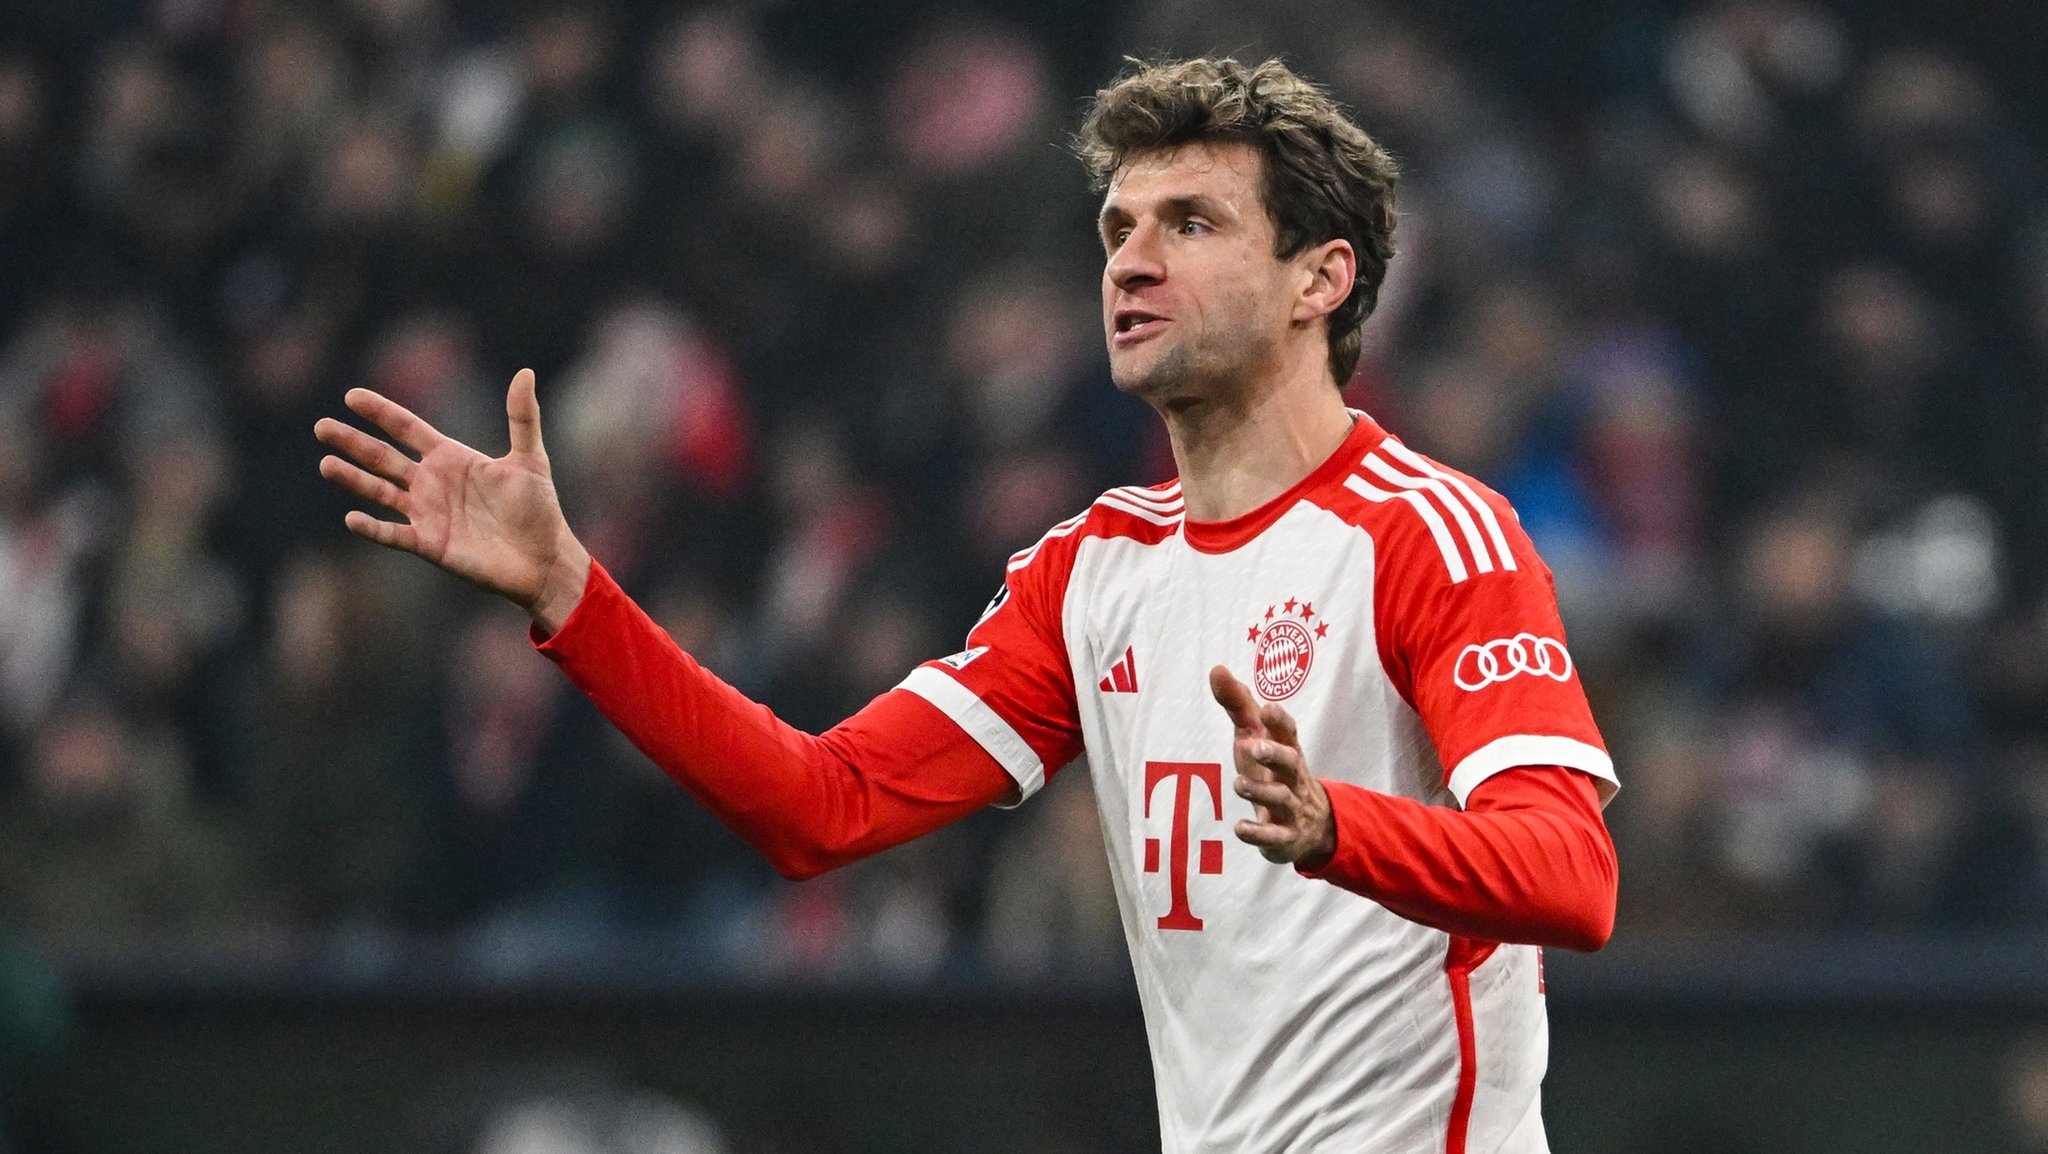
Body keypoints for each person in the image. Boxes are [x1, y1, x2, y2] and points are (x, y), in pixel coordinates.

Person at [317, 57, 1617, 1154]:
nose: (1132, 262)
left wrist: (1342, 826)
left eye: (1192, 224)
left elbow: (1573, 875)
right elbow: (816, 804)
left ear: (1318, 279)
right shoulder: (1091, 573)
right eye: (1118, 228)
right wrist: (570, 591)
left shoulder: (1431, 534)